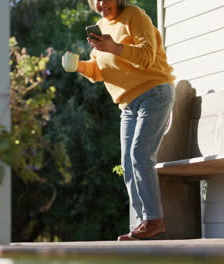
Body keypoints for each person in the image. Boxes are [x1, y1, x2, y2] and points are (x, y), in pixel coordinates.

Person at [62, 0, 175, 241]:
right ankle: (142, 223)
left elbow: (147, 56)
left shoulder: (135, 15)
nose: (101, 3)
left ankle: (154, 219)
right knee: (127, 161)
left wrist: (114, 47)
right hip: (128, 105)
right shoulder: (102, 26)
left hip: (153, 93)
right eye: (96, 0)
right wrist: (78, 66)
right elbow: (99, 70)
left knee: (139, 154)